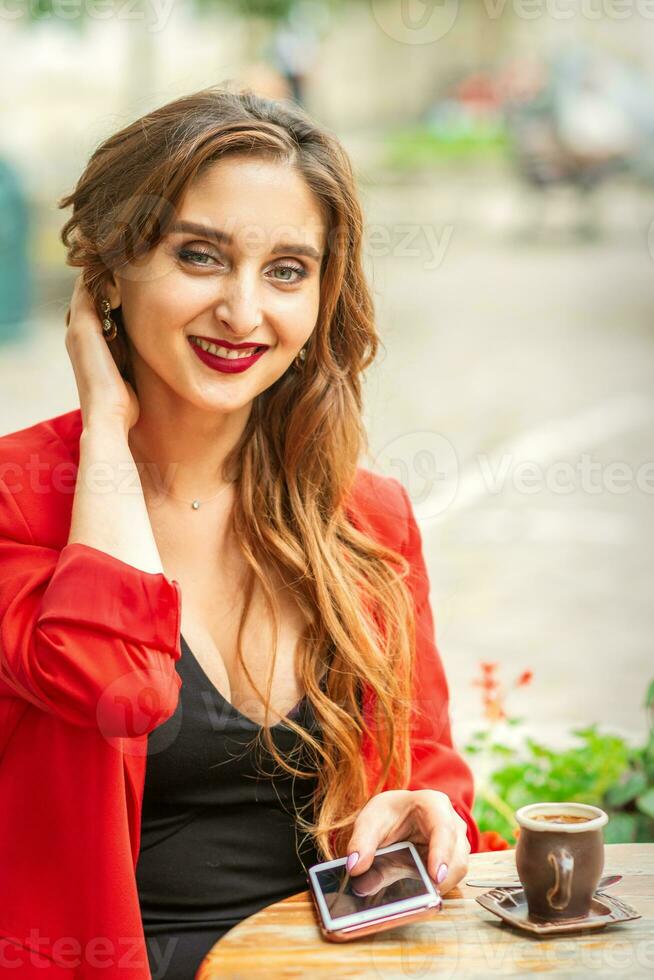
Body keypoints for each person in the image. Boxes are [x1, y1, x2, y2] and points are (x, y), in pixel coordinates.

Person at [0, 87, 479, 979]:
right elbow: (114, 682)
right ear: (107, 271)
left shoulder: (366, 519)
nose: (243, 311)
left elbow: (424, 764)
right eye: (199, 256)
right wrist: (105, 424)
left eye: (288, 270)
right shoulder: (14, 507)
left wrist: (429, 810)